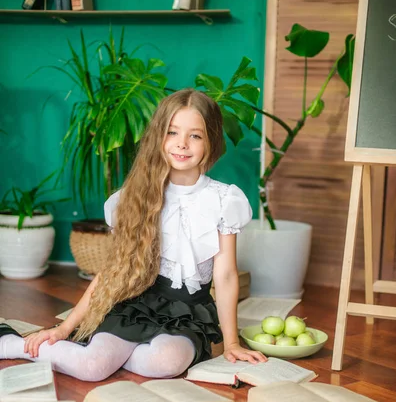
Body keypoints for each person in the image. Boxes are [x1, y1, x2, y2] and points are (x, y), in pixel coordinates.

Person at [0, 89, 267, 382]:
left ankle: (102, 353)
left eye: (195, 135)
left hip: (188, 312)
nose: (181, 143)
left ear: (211, 141)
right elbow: (111, 272)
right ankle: (12, 343)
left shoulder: (223, 199)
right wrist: (66, 328)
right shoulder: (133, 197)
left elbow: (226, 276)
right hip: (136, 302)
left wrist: (231, 343)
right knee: (92, 369)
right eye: (172, 132)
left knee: (166, 363)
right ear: (158, 137)